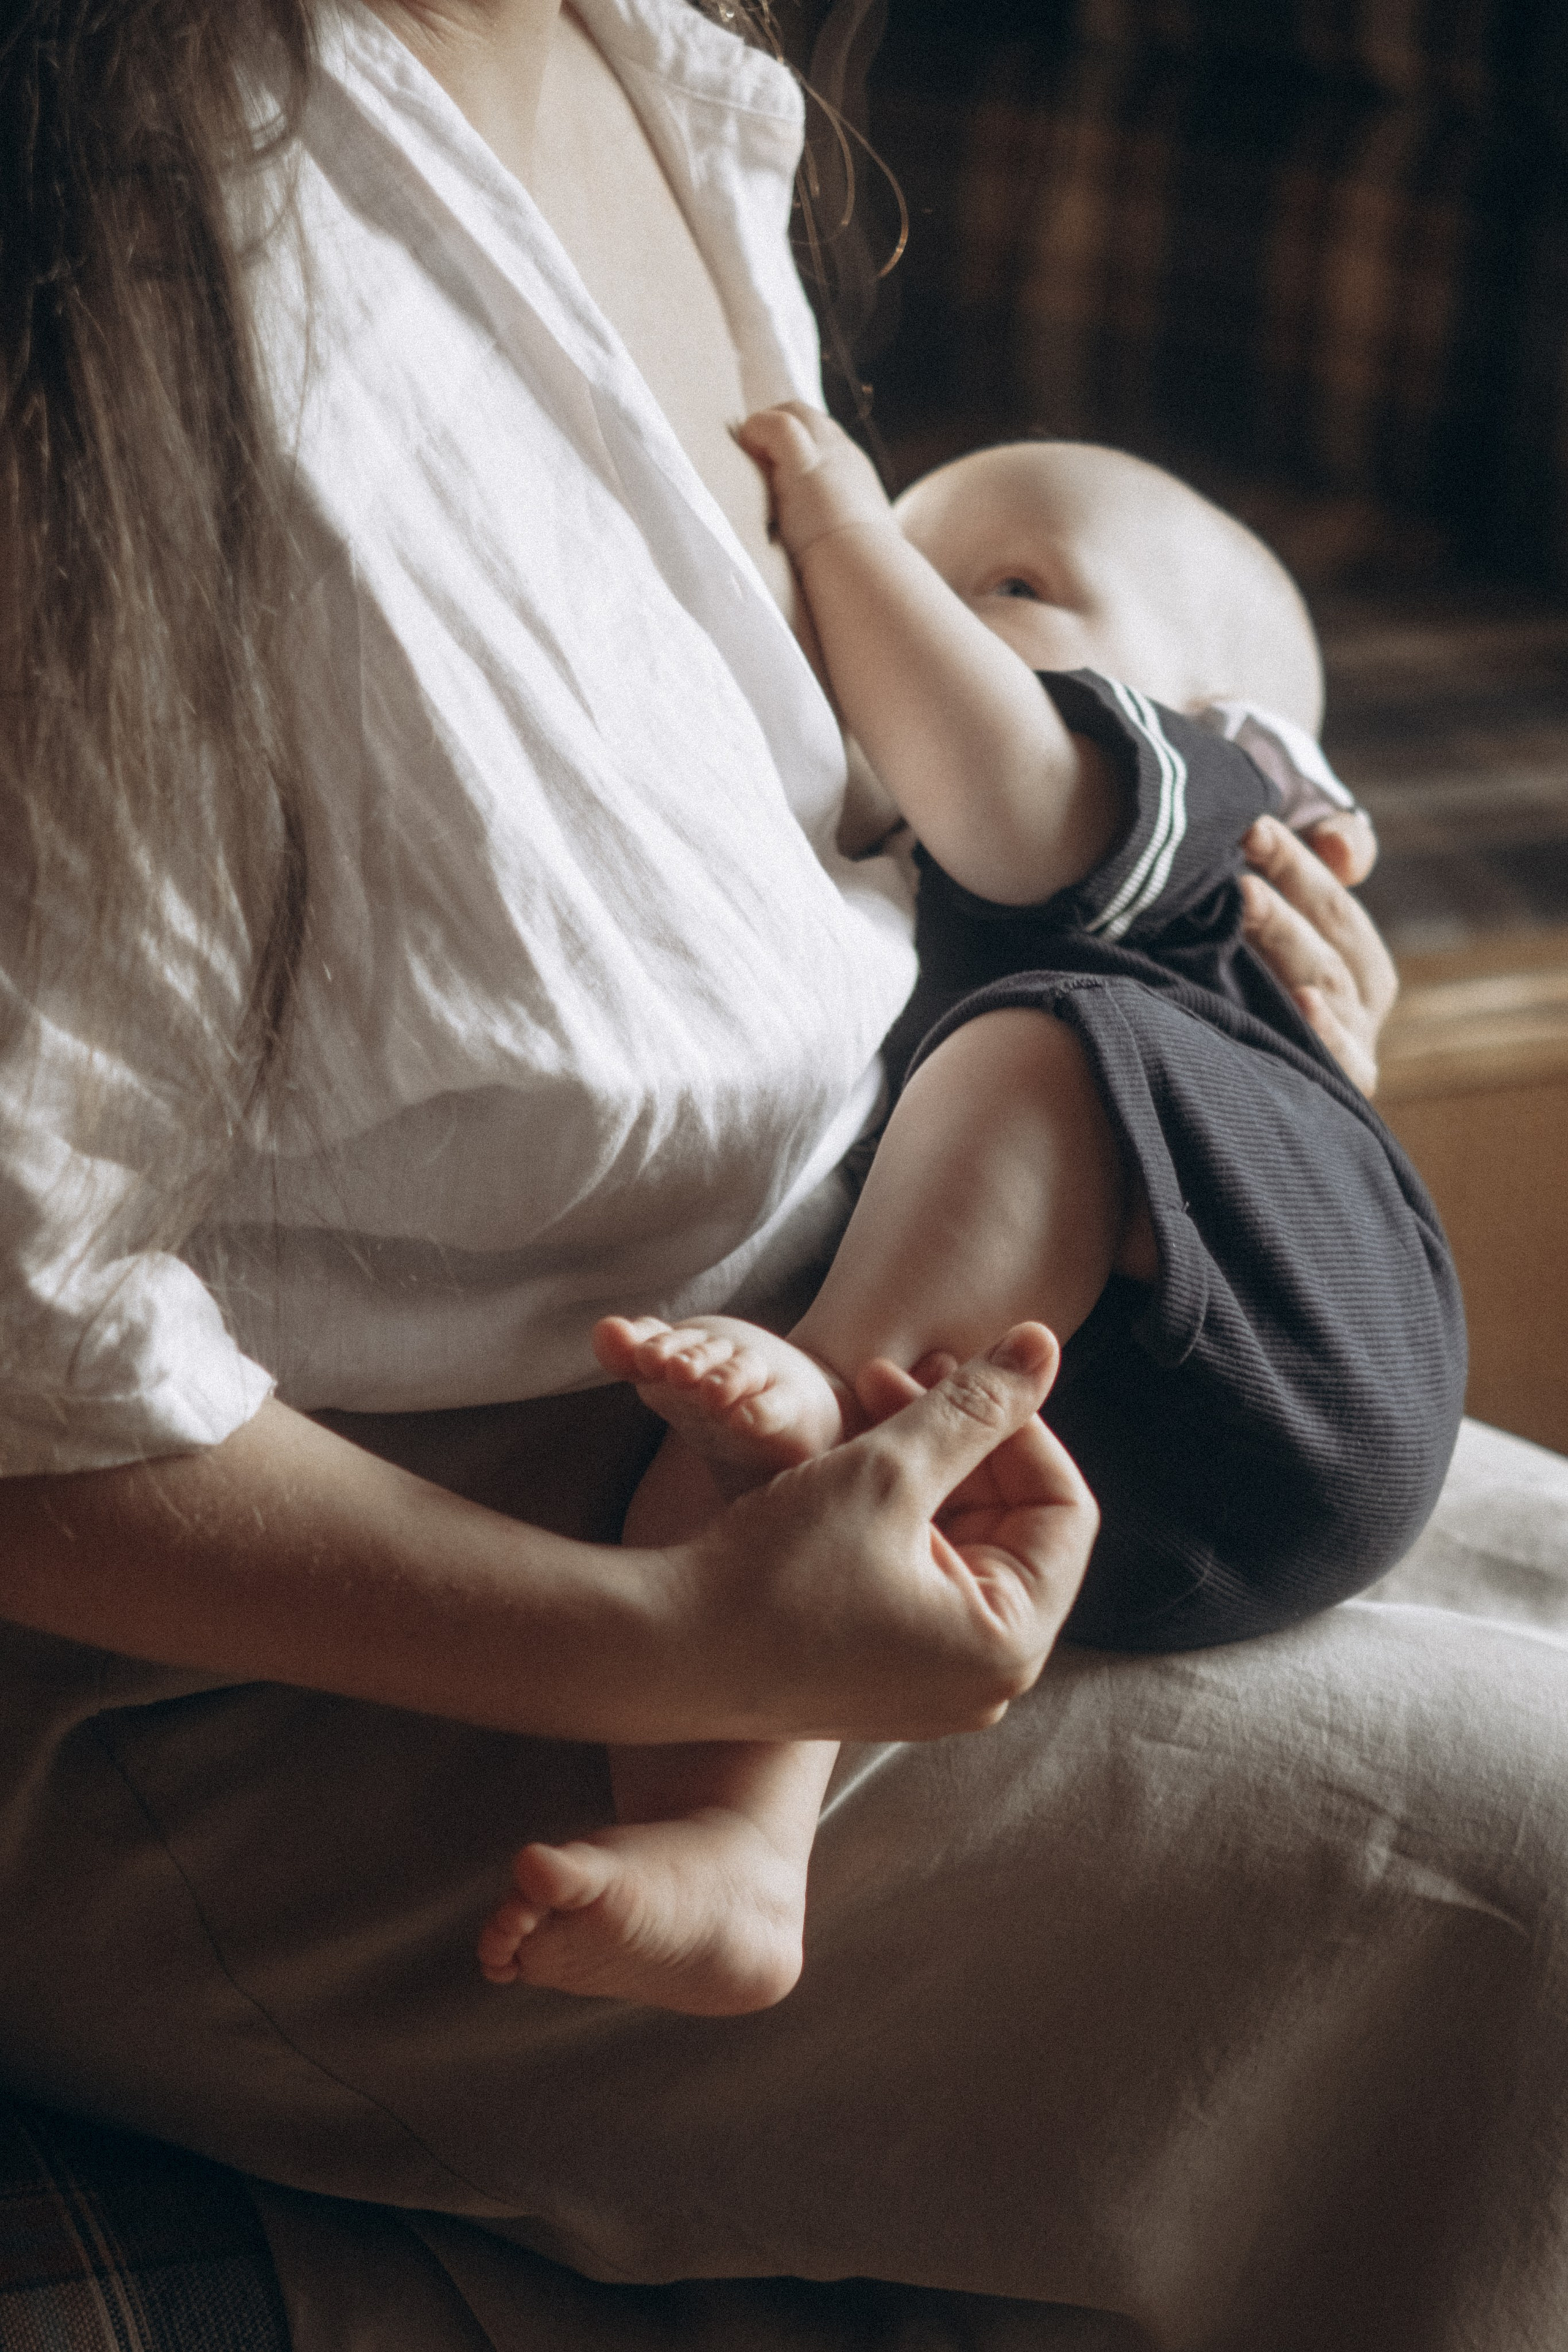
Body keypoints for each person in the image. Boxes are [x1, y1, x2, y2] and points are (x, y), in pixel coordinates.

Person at [0, 2, 1455, 2346]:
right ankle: (734, 1808)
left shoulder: (662, 78)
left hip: (885, 1366)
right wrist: (670, 1640)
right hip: (318, 1626)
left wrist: (1263, 1063)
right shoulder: (123, 251)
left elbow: (846, 856)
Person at [476, 417, 1464, 2016]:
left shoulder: (1204, 791)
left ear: (1264, 746)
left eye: (1008, 580)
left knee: (1031, 1062)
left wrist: (839, 520)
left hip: (1316, 1343)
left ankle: (840, 1386)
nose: (917, 610)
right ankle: (733, 1842)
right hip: (1083, 1459)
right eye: (916, 574)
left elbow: (1008, 786)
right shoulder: (881, 884)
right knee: (746, 1454)